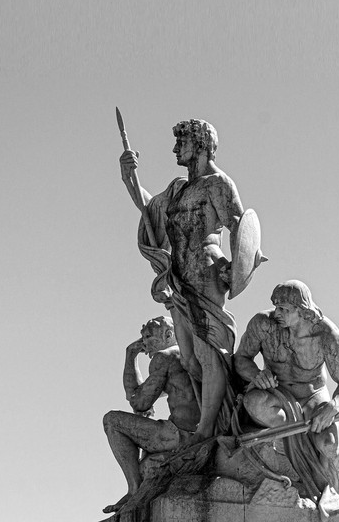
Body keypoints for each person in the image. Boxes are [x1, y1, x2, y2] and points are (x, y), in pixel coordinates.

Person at [120, 119, 246, 440]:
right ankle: (215, 417)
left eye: (182, 142)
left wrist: (236, 268)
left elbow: (239, 227)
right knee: (189, 359)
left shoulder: (217, 184)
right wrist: (128, 176)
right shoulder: (178, 188)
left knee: (208, 353)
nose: (176, 149)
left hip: (205, 272)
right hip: (178, 276)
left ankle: (207, 428)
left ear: (200, 144)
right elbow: (149, 208)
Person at [233, 280, 339, 510]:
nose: (277, 313)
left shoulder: (326, 335)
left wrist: (333, 407)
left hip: (313, 398)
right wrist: (257, 375)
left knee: (328, 446)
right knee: (253, 402)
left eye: (284, 309)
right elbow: (241, 359)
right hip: (277, 395)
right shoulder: (263, 324)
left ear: (302, 310)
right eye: (276, 307)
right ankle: (292, 459)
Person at [102, 316, 199, 515]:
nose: (145, 344)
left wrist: (130, 355)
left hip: (178, 434)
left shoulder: (164, 357)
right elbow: (141, 397)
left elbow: (138, 401)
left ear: (168, 335)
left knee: (112, 421)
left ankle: (134, 490)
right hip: (195, 431)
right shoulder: (186, 355)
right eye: (143, 338)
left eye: (149, 337)